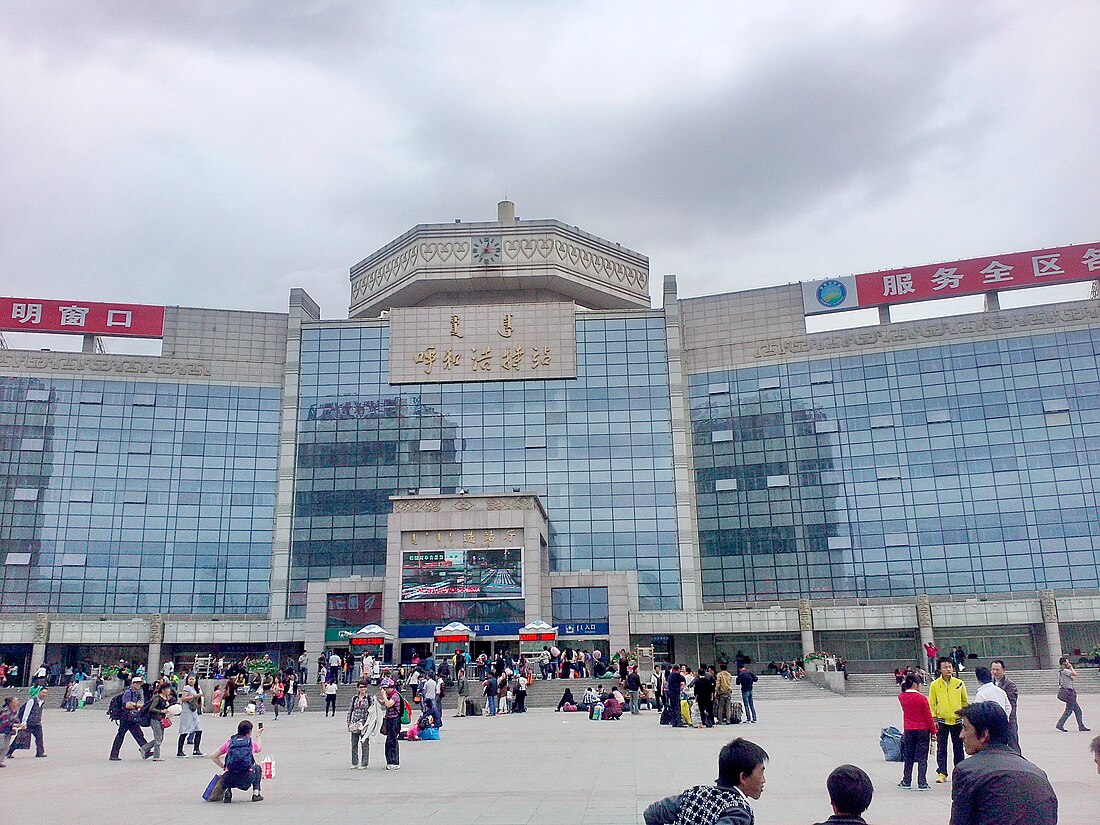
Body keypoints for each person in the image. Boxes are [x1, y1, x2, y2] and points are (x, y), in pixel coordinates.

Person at [950, 702, 1056, 825]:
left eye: (965, 728)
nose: (961, 735)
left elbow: (960, 821)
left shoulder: (967, 771)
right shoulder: (1037, 772)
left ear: (984, 735)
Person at [644, 738, 767, 825]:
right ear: (743, 777)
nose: (763, 780)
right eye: (761, 772)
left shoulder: (695, 794)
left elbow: (651, 813)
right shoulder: (738, 812)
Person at [929, 657, 968, 783]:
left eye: (950, 666)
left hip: (957, 721)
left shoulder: (959, 683)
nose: (948, 669)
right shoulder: (935, 685)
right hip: (942, 721)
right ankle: (942, 772)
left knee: (958, 748)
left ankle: (959, 772)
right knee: (942, 748)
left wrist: (965, 717)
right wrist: (934, 719)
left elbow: (964, 701)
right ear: (940, 669)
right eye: (945, 667)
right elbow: (932, 703)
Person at [897, 672, 936, 790]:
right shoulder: (922, 698)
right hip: (923, 730)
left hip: (909, 729)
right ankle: (922, 782)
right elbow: (928, 716)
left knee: (908, 756)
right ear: (915, 684)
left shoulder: (901, 697)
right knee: (922, 757)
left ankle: (906, 780)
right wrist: (933, 731)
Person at [210, 719, 264, 803]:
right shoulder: (250, 742)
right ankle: (256, 794)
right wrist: (258, 736)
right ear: (249, 732)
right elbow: (259, 748)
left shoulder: (230, 742)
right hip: (246, 778)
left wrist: (224, 766)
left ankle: (228, 791)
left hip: (229, 778)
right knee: (257, 768)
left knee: (227, 772)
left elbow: (213, 756)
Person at [109, 676, 150, 760]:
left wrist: (134, 704)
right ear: (133, 683)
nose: (139, 685)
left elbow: (142, 705)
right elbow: (127, 705)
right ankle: (114, 754)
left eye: (140, 683)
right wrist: (136, 705)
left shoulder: (138, 693)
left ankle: (146, 751)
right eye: (137, 683)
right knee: (121, 735)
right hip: (126, 716)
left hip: (132, 716)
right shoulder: (128, 692)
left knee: (138, 734)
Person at [5, 685, 47, 759]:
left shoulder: (42, 702)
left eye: (46, 693)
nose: (44, 694)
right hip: (29, 723)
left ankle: (40, 752)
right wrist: (24, 722)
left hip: (37, 723)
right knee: (20, 738)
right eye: (43, 692)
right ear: (39, 692)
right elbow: (26, 711)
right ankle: (9, 752)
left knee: (39, 737)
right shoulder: (32, 701)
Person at [988, 659, 1020, 753]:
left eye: (997, 669)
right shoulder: (990, 683)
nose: (994, 672)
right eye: (993, 669)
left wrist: (1007, 719)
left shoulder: (1010, 685)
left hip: (1008, 721)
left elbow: (1012, 705)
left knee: (1013, 746)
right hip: (995, 721)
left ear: (1003, 670)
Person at [1056, 656, 1090, 732]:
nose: (1069, 663)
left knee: (1077, 710)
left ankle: (1081, 726)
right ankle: (1060, 725)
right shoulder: (1064, 670)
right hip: (1069, 694)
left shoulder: (1062, 671)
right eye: (1067, 662)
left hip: (1069, 694)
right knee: (1069, 711)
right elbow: (1075, 674)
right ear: (1064, 663)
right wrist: (1071, 667)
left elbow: (1072, 678)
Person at [141, 681, 172, 761]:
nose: (169, 690)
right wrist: (161, 711)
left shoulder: (167, 698)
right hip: (155, 719)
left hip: (162, 719)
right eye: (167, 689)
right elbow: (151, 708)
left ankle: (144, 748)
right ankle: (156, 756)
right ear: (162, 690)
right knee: (158, 738)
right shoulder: (157, 697)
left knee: (160, 738)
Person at [346, 682, 373, 770]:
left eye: (364, 687)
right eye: (361, 687)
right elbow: (350, 710)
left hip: (365, 724)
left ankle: (364, 763)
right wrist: (348, 722)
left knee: (364, 743)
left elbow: (372, 711)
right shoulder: (354, 698)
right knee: (354, 743)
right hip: (355, 723)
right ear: (358, 688)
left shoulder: (369, 698)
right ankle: (354, 762)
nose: (363, 689)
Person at [379, 678, 401, 770]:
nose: (384, 690)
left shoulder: (395, 695)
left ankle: (394, 762)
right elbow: (385, 703)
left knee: (392, 741)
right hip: (389, 719)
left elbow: (388, 704)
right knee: (389, 741)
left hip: (394, 720)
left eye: (385, 688)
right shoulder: (390, 695)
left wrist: (384, 695)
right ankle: (389, 761)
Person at [0, 695, 19, 767]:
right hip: (1, 730)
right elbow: (5, 722)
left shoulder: (15, 710)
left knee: (6, 747)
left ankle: (0, 760)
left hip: (8, 731)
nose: (17, 702)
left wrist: (19, 724)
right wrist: (15, 725)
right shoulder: (5, 710)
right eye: (16, 701)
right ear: (11, 703)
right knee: (1, 746)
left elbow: (16, 720)